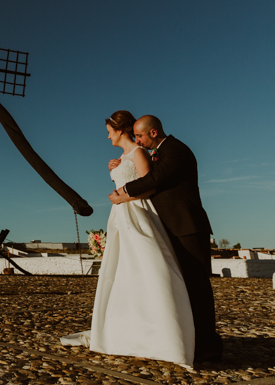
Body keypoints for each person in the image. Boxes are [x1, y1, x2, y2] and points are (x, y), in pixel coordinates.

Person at [62, 110, 195, 366]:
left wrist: (123, 197)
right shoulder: (122, 157)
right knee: (123, 274)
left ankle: (159, 336)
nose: (108, 136)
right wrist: (115, 167)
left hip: (137, 215)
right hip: (120, 219)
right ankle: (129, 333)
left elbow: (150, 185)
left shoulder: (138, 152)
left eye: (109, 131)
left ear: (120, 130)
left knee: (148, 270)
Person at [109, 115, 223, 363]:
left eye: (139, 135)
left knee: (198, 285)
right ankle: (190, 339)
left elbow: (155, 180)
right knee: (183, 285)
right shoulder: (158, 152)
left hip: (187, 226)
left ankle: (209, 345)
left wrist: (123, 193)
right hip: (171, 226)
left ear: (153, 133)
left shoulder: (177, 150)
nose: (136, 140)